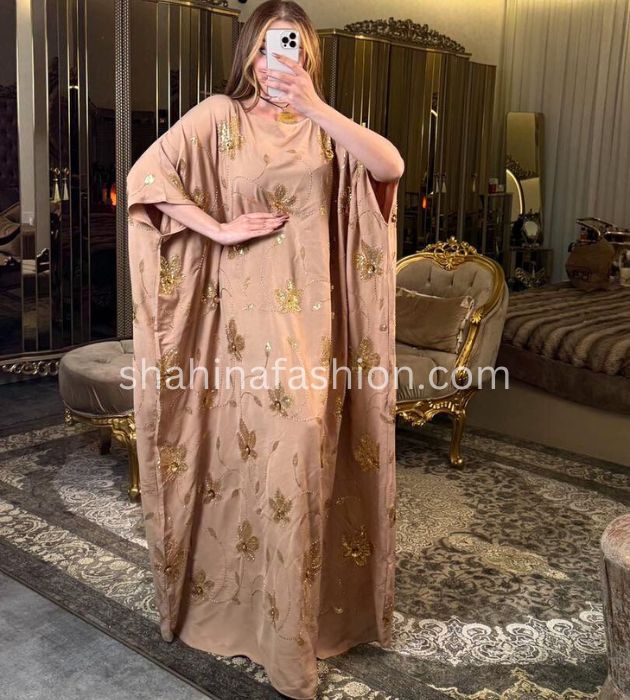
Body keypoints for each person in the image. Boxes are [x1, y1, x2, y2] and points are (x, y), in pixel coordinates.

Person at [125, 1, 404, 697]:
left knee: (304, 456)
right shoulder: (219, 117)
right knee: (246, 466)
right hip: (240, 331)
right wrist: (216, 229)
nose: (281, 57)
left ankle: (293, 636)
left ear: (308, 54)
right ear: (250, 52)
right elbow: (146, 179)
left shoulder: (326, 129)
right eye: (271, 46)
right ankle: (237, 614)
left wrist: (315, 107)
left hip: (316, 331)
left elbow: (390, 164)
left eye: (295, 45)